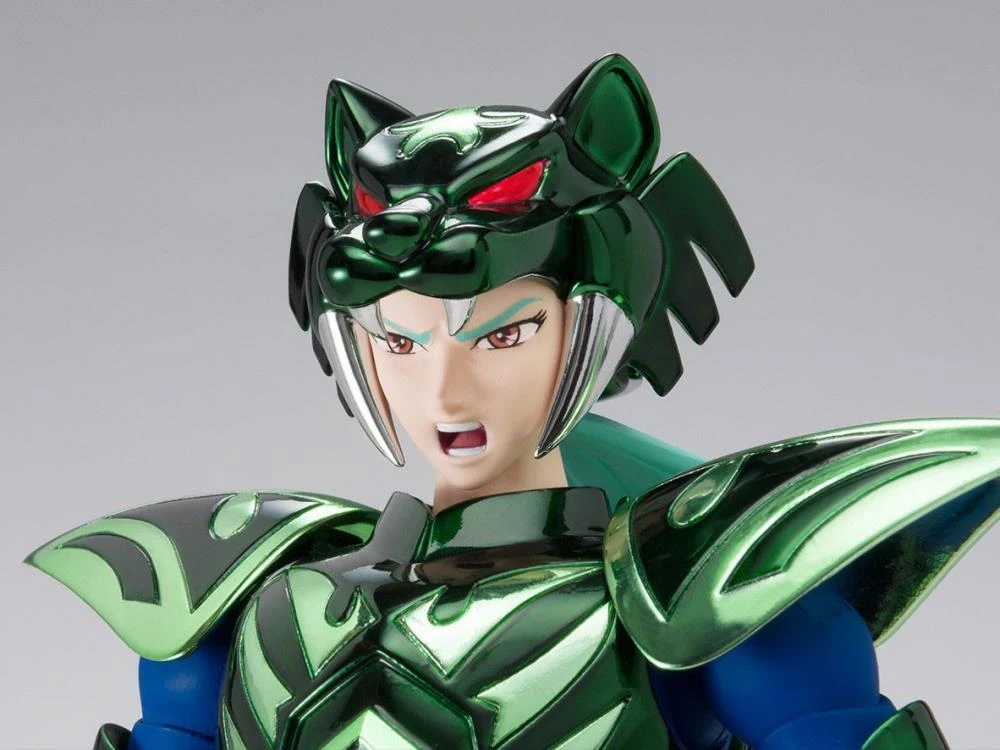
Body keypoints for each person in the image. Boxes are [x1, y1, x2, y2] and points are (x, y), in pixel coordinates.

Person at [29, 53, 1000, 750]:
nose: (445, 388)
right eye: (399, 342)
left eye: (503, 335)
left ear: (592, 327)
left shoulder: (715, 603)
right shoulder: (234, 599)